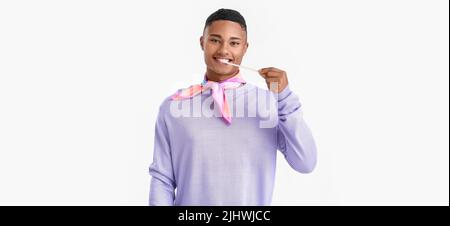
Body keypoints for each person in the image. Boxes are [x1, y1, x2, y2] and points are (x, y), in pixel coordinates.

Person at [149, 8, 317, 206]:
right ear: (202, 42)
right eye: (215, 40)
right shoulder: (173, 107)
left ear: (245, 48)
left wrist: (283, 95)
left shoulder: (269, 104)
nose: (223, 50)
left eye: (234, 43)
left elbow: (305, 163)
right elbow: (162, 179)